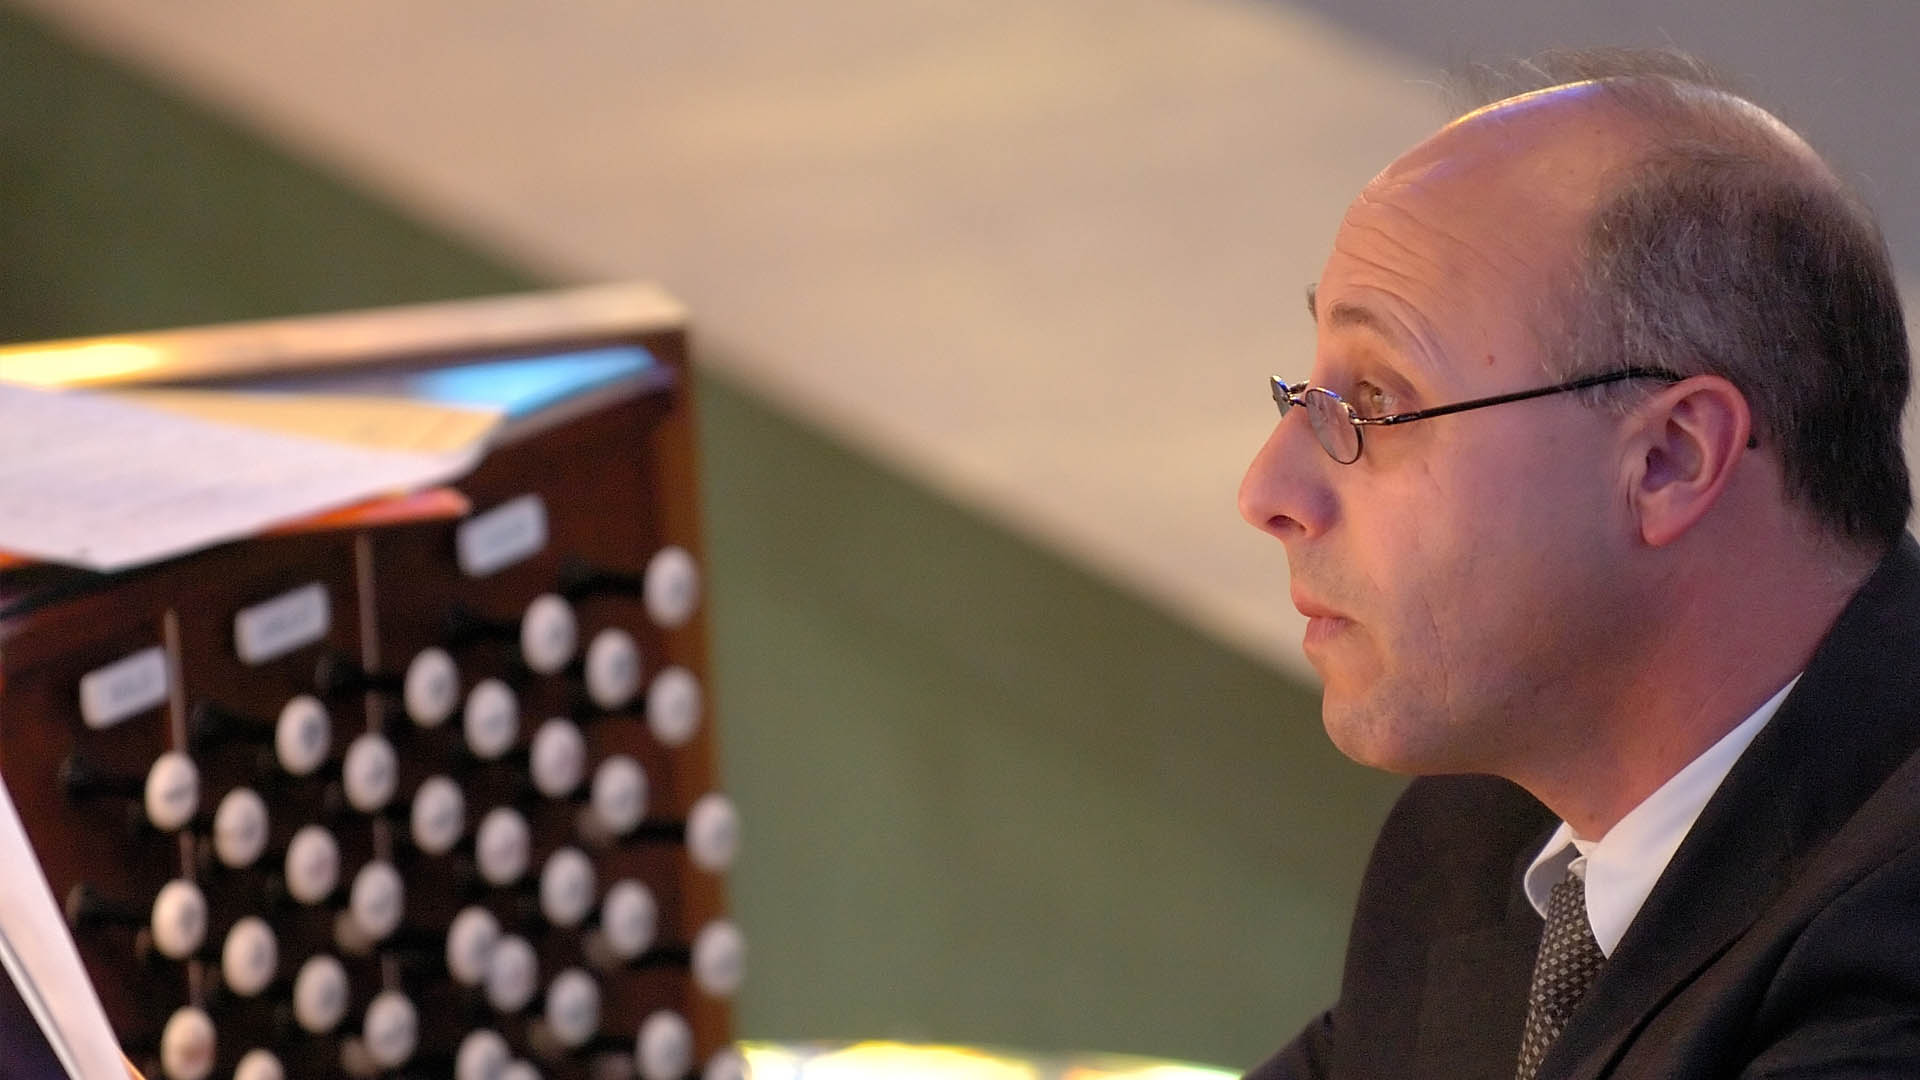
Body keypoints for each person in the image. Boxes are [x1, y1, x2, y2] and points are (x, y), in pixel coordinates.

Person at [1235, 48, 1920, 1079]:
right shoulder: (1481, 838)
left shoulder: (1890, 944)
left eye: (1375, 403)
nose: (1267, 492)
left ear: (1669, 460)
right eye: (1310, 396)